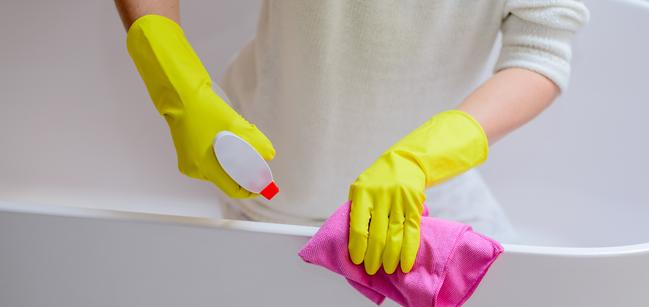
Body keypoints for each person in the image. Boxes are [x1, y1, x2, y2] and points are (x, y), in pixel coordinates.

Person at [115, 0, 589, 275]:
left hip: (434, 195)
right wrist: (177, 83)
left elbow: (540, 51)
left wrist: (424, 158)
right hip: (273, 191)